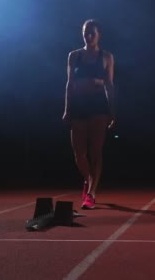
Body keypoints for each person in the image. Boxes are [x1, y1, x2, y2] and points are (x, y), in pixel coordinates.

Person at [62, 19, 115, 210]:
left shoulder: (106, 56)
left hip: (98, 107)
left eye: (92, 32)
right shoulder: (74, 56)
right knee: (79, 154)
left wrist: (112, 110)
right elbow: (69, 83)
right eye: (86, 32)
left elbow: (109, 84)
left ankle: (92, 193)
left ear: (99, 34)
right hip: (78, 106)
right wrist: (67, 109)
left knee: (95, 152)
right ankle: (88, 179)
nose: (89, 36)